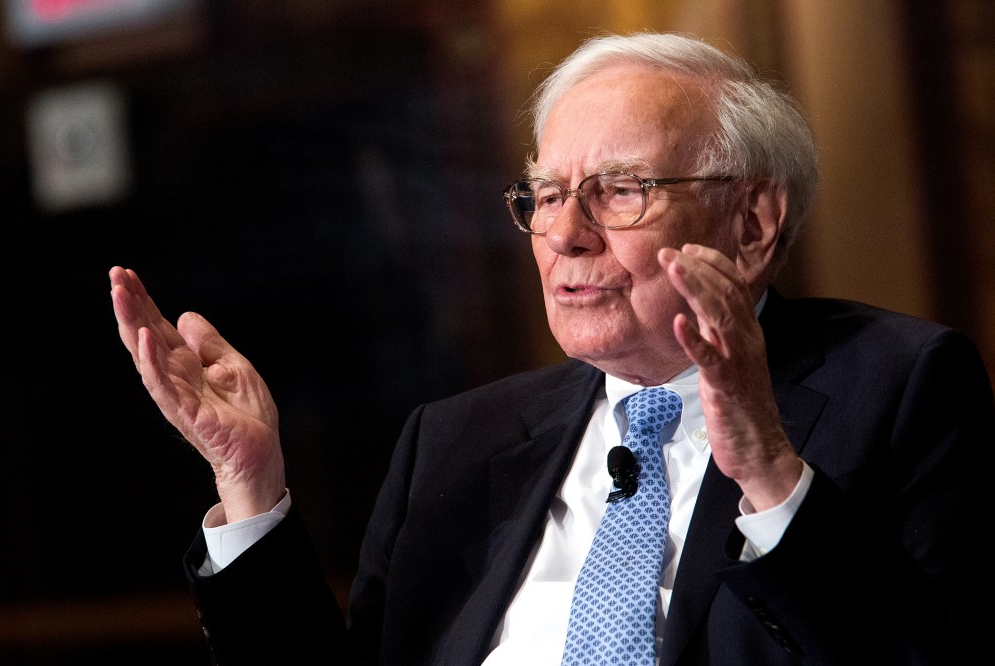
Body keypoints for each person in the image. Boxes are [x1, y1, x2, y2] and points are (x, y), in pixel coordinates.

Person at [111, 32, 995, 665]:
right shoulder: (456, 443)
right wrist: (251, 489)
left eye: (620, 190)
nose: (563, 234)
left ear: (752, 223)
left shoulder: (899, 387)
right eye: (543, 194)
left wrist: (767, 469)